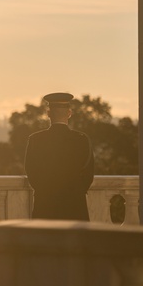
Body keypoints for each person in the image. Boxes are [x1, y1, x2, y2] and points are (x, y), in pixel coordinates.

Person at [24, 92, 95, 221]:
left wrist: (45, 190)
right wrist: (75, 192)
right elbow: (88, 174)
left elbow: (31, 172)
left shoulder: (36, 140)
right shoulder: (82, 140)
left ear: (48, 113)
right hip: (75, 206)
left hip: (45, 205)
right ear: (69, 113)